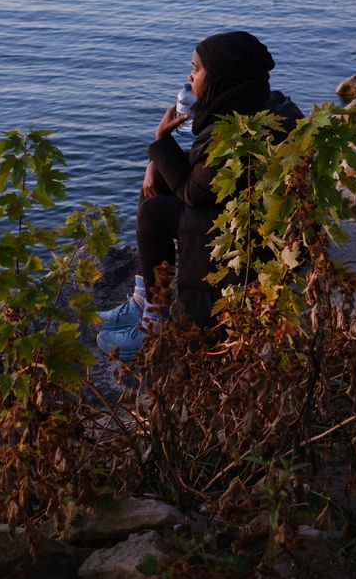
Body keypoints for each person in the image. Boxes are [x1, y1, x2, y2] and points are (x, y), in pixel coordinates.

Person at [97, 30, 300, 358]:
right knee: (157, 182)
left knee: (153, 210)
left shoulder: (237, 132)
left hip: (244, 235)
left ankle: (155, 322)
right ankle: (145, 300)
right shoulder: (252, 103)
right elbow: (202, 182)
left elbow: (195, 192)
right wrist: (157, 160)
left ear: (221, 77)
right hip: (233, 211)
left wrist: (162, 141)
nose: (189, 76)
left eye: (197, 69)